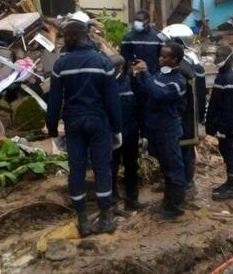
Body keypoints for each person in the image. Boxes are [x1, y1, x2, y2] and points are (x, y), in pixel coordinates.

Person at [46, 20, 122, 236]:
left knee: (77, 169)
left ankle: (82, 219)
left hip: (73, 123)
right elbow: (112, 99)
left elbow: (54, 100)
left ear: (70, 38)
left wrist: (51, 127)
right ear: (86, 36)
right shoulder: (102, 62)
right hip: (98, 122)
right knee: (102, 168)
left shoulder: (61, 65)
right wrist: (117, 127)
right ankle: (105, 218)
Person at [133, 42, 187, 221]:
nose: (160, 58)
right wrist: (137, 77)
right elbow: (148, 92)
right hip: (155, 128)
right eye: (160, 55)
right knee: (166, 169)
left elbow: (157, 94)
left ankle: (175, 208)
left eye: (164, 57)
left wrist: (145, 73)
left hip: (167, 130)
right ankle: (167, 203)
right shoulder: (160, 73)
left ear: (174, 60)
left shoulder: (178, 81)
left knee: (174, 169)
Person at [162, 24, 206, 193]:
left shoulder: (180, 67)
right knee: (185, 150)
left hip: (183, 115)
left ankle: (185, 183)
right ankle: (186, 181)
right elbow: (202, 95)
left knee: (183, 151)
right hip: (191, 115)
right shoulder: (194, 62)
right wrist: (200, 116)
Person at [205, 45, 233, 200]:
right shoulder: (222, 75)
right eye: (216, 56)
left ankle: (232, 185)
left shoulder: (229, 78)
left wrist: (223, 128)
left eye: (220, 56)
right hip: (223, 125)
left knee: (230, 153)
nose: (216, 59)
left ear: (227, 58)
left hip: (228, 126)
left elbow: (230, 108)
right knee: (226, 153)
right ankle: (230, 181)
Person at [109, 54, 146, 211]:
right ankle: (111, 200)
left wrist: (144, 133)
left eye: (113, 67)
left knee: (131, 167)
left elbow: (141, 109)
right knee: (111, 167)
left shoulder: (132, 84)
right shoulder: (106, 84)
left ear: (120, 68)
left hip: (130, 133)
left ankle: (132, 200)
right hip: (112, 134)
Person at [121, 10, 164, 75]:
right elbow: (124, 58)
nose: (136, 22)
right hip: (135, 75)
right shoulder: (128, 37)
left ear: (148, 21)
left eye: (140, 20)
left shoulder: (157, 37)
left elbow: (162, 57)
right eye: (136, 20)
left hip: (153, 75)